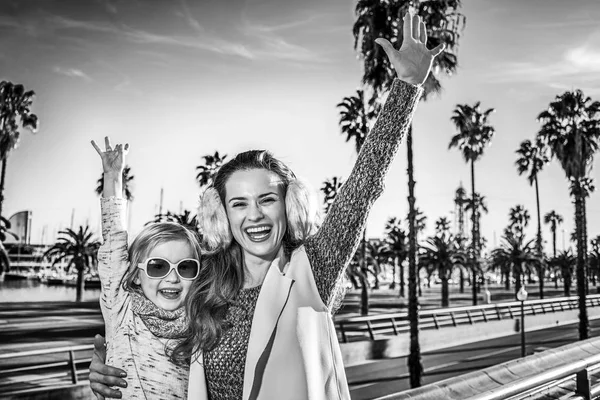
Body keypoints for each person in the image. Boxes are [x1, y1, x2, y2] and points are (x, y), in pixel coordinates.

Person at [89, 12, 443, 400]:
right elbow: (152, 324)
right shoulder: (204, 282)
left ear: (289, 205)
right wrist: (109, 366)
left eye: (267, 199)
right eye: (239, 203)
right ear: (221, 215)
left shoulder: (314, 269)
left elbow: (364, 186)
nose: (254, 215)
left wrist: (407, 89)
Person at [91, 138, 207, 399]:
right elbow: (113, 244)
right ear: (135, 274)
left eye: (186, 267)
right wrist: (113, 177)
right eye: (158, 267)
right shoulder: (121, 309)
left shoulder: (201, 324)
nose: (173, 277)